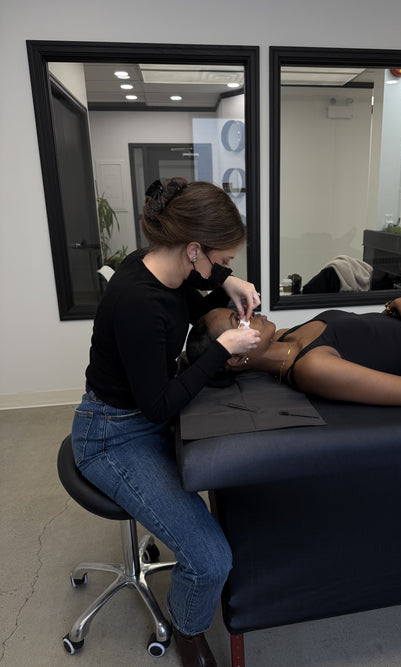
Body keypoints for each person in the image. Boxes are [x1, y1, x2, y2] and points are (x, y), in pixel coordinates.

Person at [71, 177, 261, 667]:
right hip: (112, 435)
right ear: (193, 250)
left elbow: (189, 301)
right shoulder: (137, 300)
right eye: (224, 260)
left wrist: (228, 284)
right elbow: (157, 407)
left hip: (146, 411)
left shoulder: (163, 266)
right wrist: (222, 349)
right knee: (211, 559)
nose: (227, 268)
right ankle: (188, 630)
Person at [186, 298, 401, 406]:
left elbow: (373, 337)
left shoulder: (286, 336)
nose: (247, 312)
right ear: (235, 357)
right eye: (237, 320)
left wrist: (396, 305)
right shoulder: (311, 368)